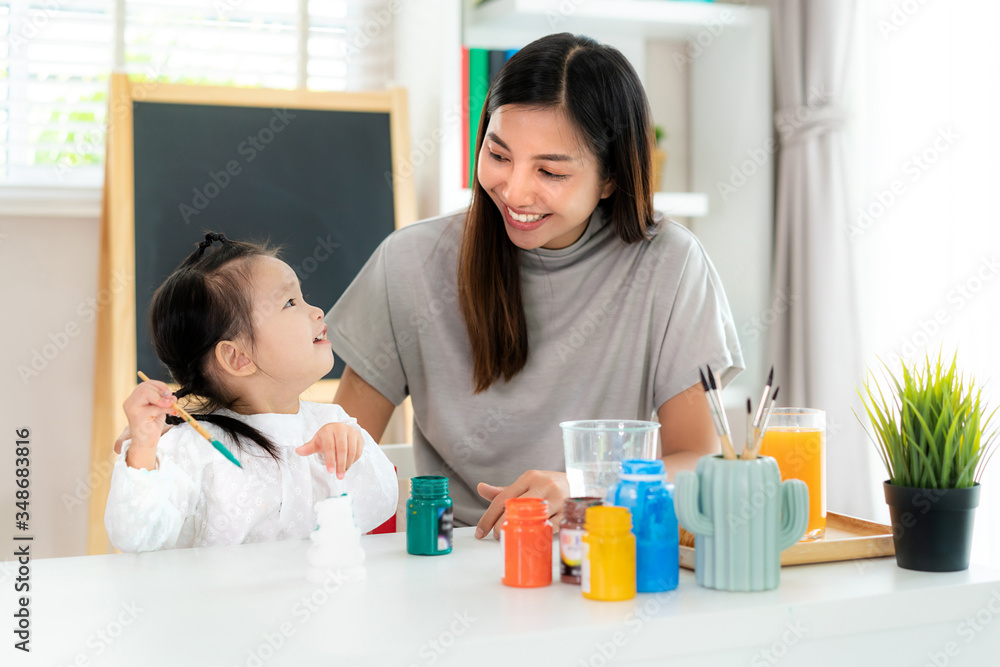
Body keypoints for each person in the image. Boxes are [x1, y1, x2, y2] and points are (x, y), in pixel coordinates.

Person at [327, 33, 744, 539]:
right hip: (450, 555)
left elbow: (700, 459)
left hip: (597, 554)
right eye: (499, 155)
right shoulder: (410, 261)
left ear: (610, 177)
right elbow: (339, 454)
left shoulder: (670, 265)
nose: (515, 190)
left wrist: (585, 488)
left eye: (549, 170)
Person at [105, 233, 397, 552]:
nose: (317, 312)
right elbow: (136, 539)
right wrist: (144, 450)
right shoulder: (191, 449)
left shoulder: (331, 424)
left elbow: (382, 504)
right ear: (238, 357)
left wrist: (351, 452)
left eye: (303, 297)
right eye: (290, 303)